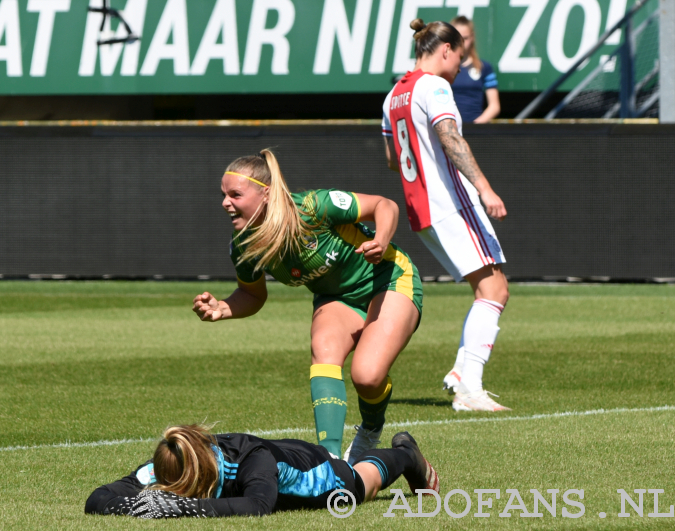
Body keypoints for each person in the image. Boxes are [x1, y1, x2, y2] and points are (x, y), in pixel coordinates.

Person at [191, 149, 423, 464]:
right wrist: (223, 307)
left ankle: (370, 429)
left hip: (388, 278)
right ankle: (330, 461)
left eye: (235, 194)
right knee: (323, 347)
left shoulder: (313, 207)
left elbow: (385, 205)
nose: (225, 202)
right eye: (223, 195)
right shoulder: (244, 245)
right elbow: (253, 295)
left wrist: (381, 240)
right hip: (337, 298)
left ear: (266, 194)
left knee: (366, 376)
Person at [381, 19, 510, 412]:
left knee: (485, 289)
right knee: (495, 290)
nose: (460, 66)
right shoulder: (435, 86)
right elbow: (451, 137)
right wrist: (485, 188)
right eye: (459, 55)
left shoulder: (393, 95)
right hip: (450, 202)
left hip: (421, 209)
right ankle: (470, 388)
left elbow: (391, 160)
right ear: (446, 50)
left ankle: (460, 372)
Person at [84, 424, 439, 518]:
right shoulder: (171, 459)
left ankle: (405, 454)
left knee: (362, 484)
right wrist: (128, 505)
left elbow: (258, 505)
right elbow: (97, 498)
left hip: (313, 469)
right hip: (278, 451)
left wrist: (180, 508)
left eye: (182, 491)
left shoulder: (251, 461)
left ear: (201, 479)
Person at [449, 16, 501, 123]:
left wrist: (475, 126)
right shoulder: (444, 68)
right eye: (457, 38)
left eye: (465, 38)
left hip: (475, 130)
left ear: (472, 37)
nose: (462, 43)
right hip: (448, 130)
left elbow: (494, 106)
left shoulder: (484, 67)